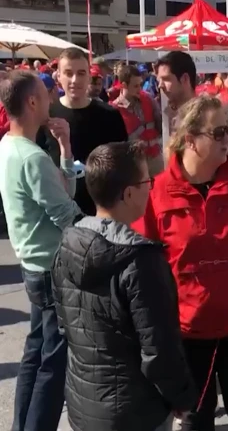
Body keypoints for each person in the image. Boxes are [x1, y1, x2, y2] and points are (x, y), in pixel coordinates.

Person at [132, 96, 228, 431]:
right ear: (190, 139)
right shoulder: (157, 193)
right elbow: (142, 269)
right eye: (219, 132)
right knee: (196, 421)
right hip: (187, 336)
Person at [52, 142, 197, 431]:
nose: (151, 188)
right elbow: (159, 352)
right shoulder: (141, 261)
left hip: (84, 407)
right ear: (129, 193)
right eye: (147, 181)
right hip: (135, 413)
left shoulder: (66, 246)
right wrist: (183, 399)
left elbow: (65, 325)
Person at [0, 70, 82, 431]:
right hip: (50, 268)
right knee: (54, 363)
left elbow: (64, 195)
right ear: (32, 102)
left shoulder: (9, 145)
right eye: (47, 94)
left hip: (33, 265)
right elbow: (68, 212)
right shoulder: (31, 157)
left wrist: (65, 150)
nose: (53, 99)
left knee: (36, 355)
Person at [46, 47, 128, 215]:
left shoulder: (109, 116)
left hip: (101, 211)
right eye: (68, 73)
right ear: (58, 77)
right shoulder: (46, 117)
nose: (75, 80)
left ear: (89, 77)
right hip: (58, 212)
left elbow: (122, 165)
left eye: (81, 73)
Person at [111, 64, 164, 176]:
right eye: (135, 86)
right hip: (134, 163)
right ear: (124, 85)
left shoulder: (148, 99)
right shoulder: (114, 109)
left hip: (155, 158)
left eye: (140, 84)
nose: (140, 89)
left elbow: (160, 124)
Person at [155, 51, 198, 134]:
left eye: (166, 79)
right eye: (159, 80)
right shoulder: (169, 114)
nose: (160, 85)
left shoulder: (205, 117)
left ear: (185, 79)